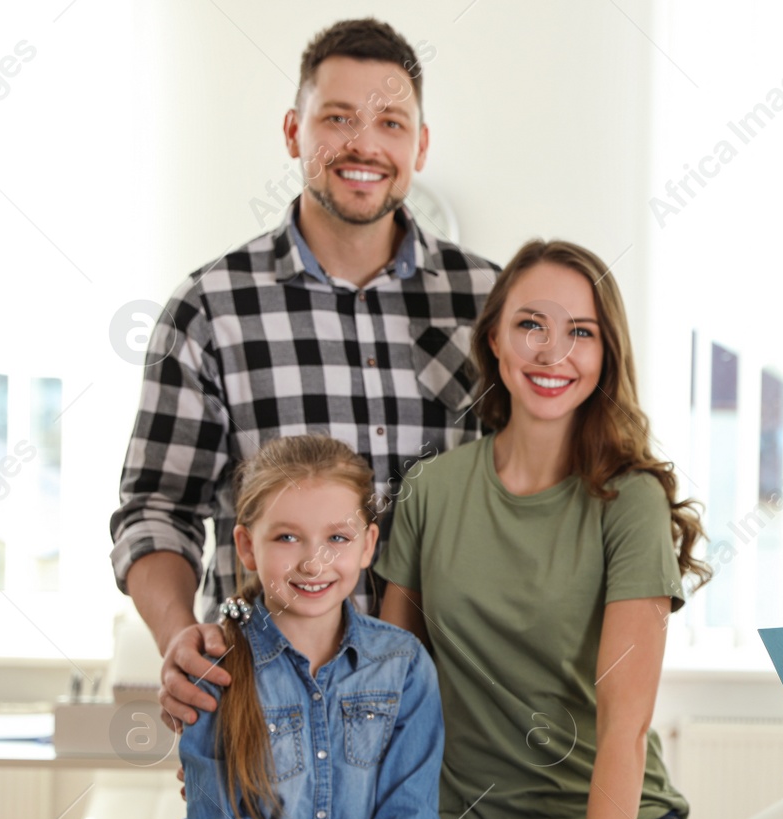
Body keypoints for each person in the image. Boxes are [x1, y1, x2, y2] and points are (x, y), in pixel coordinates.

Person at [372, 239, 720, 819]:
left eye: (582, 332)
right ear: (494, 337)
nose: (554, 353)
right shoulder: (431, 493)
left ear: (606, 354)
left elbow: (623, 730)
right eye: (531, 324)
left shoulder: (629, 502)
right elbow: (389, 693)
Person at [109, 17, 500, 730]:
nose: (365, 144)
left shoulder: (490, 305)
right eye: (338, 118)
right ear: (294, 132)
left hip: (453, 723)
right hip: (270, 719)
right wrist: (176, 640)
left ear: (420, 143)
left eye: (390, 121)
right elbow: (155, 509)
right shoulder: (211, 308)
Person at [174, 434, 444, 819]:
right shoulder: (216, 666)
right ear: (246, 544)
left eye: (339, 538)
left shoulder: (402, 665)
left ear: (370, 545)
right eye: (287, 537)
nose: (314, 561)